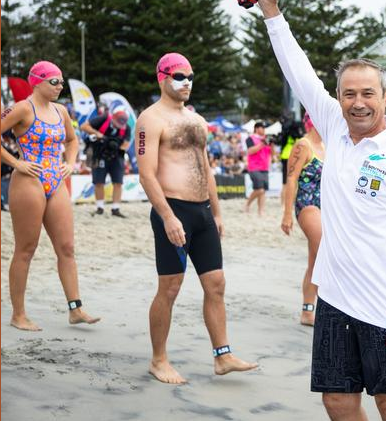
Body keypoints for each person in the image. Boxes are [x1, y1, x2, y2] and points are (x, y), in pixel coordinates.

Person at [259, 0, 386, 420]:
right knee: (337, 401)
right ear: (338, 98)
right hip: (336, 298)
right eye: (348, 94)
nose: (357, 103)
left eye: (367, 94)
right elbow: (298, 72)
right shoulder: (335, 129)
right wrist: (271, 12)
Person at [137, 52, 257, 384]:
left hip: (202, 213)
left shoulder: (197, 120)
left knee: (216, 284)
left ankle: (223, 356)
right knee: (170, 287)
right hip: (173, 211)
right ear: (162, 78)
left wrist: (216, 212)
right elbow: (147, 175)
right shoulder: (150, 119)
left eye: (191, 76)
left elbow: (205, 168)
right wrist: (167, 217)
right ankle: (158, 359)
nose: (187, 82)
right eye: (179, 76)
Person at [1, 61, 100, 331]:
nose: (59, 86)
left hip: (55, 180)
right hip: (28, 180)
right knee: (26, 249)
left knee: (66, 248)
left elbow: (72, 140)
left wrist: (69, 162)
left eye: (61, 82)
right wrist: (16, 163)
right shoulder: (23, 108)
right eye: (53, 82)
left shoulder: (60, 110)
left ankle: (75, 309)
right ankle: (18, 314)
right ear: (37, 82)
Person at [281, 112, 326, 326]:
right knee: (326, 253)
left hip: (327, 208)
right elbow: (291, 178)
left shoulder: (329, 146)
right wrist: (287, 214)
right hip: (307, 204)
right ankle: (335, 309)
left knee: (315, 261)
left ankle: (308, 312)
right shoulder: (303, 145)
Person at [81, 108, 132, 217]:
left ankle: (116, 208)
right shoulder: (103, 118)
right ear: (112, 117)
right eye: (117, 123)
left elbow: (126, 144)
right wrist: (98, 134)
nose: (119, 126)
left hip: (116, 156)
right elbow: (83, 126)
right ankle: (100, 208)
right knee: (98, 182)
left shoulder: (126, 127)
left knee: (118, 182)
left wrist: (116, 149)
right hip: (99, 154)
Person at [244, 121, 273, 216]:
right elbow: (250, 151)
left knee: (263, 190)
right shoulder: (250, 138)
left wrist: (272, 144)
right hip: (254, 167)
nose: (264, 129)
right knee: (259, 189)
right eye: (262, 127)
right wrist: (262, 144)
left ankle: (261, 211)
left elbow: (272, 153)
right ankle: (247, 204)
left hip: (265, 167)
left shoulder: (267, 139)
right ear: (257, 128)